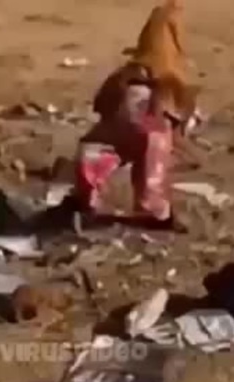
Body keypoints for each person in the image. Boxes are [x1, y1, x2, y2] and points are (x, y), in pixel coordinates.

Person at [71, 1, 201, 231]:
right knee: (152, 162)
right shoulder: (172, 78)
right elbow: (180, 116)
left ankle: (87, 193)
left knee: (97, 149)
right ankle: (154, 210)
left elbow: (101, 103)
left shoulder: (127, 72)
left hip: (119, 120)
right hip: (153, 126)